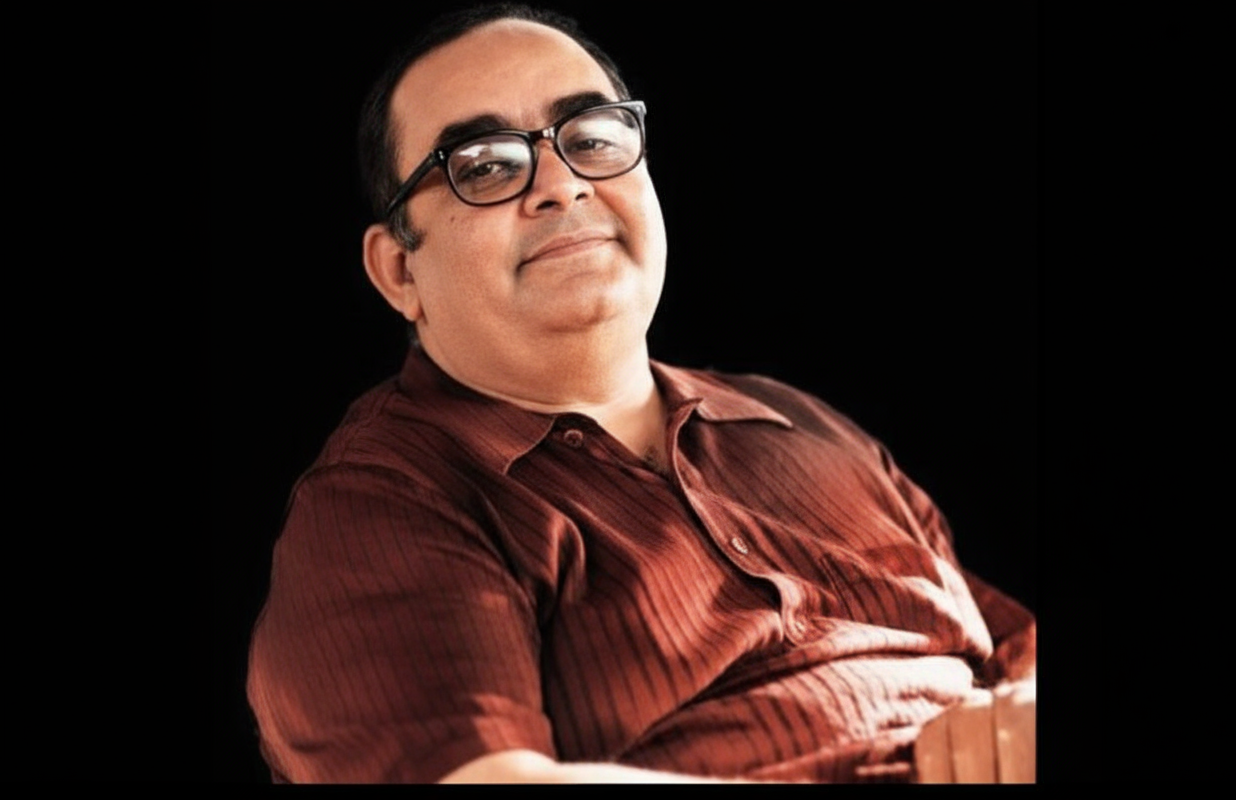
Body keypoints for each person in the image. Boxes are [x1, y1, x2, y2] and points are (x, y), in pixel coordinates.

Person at [246, 3, 1035, 783]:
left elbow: (1014, 653)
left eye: (592, 139)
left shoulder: (799, 425)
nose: (562, 185)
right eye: (484, 165)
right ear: (398, 271)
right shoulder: (383, 503)